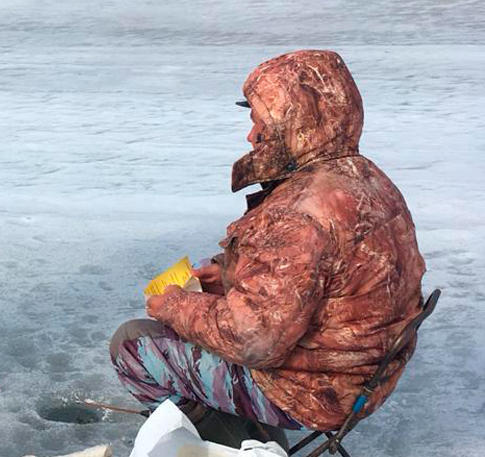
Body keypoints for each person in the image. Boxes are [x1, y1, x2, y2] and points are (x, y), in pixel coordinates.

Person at [109, 50, 426, 443]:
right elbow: (325, 282)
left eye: (258, 120)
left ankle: (226, 443)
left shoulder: (298, 212)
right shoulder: (369, 181)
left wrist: (176, 305)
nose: (251, 135)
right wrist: (229, 275)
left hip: (310, 391)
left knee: (133, 343)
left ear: (291, 123)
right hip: (365, 378)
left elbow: (254, 341)